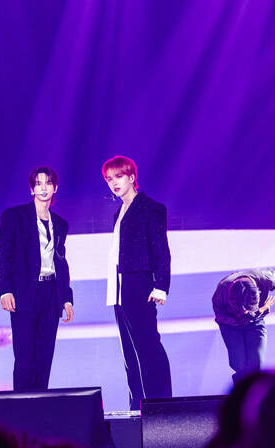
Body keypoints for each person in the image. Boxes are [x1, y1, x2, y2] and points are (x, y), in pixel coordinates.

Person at [0, 167, 74, 391]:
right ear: (31, 189)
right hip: (24, 293)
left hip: (51, 293)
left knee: (44, 356)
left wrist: (66, 298)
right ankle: (22, 408)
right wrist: (5, 290)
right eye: (38, 183)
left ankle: (41, 406)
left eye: (48, 183)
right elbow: (3, 256)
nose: (43, 188)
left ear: (55, 188)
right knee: (24, 357)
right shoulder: (14, 217)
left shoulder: (60, 224)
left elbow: (61, 262)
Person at [102, 155, 172, 409]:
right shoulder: (119, 213)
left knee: (148, 347)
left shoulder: (150, 208)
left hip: (139, 284)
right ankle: (137, 406)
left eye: (119, 176)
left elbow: (161, 250)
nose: (114, 183)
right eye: (109, 179)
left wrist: (161, 286)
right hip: (119, 287)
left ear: (132, 177)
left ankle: (160, 406)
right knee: (130, 354)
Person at [212, 268, 275, 384]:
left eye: (248, 309)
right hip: (230, 325)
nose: (245, 313)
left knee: (257, 363)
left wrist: (255, 313)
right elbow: (221, 318)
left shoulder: (266, 279)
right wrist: (260, 310)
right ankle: (241, 390)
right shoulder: (221, 292)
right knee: (239, 364)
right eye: (243, 309)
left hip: (256, 321)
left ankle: (254, 391)